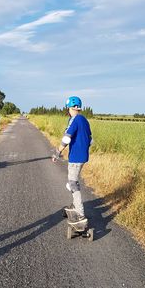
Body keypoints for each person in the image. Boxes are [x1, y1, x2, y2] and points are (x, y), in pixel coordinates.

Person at [53, 96, 92, 225]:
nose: (68, 110)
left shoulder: (75, 120)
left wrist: (57, 152)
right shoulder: (85, 120)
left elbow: (67, 139)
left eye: (68, 108)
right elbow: (90, 139)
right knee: (72, 183)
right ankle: (76, 206)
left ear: (72, 107)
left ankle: (80, 214)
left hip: (76, 157)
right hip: (83, 156)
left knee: (72, 184)